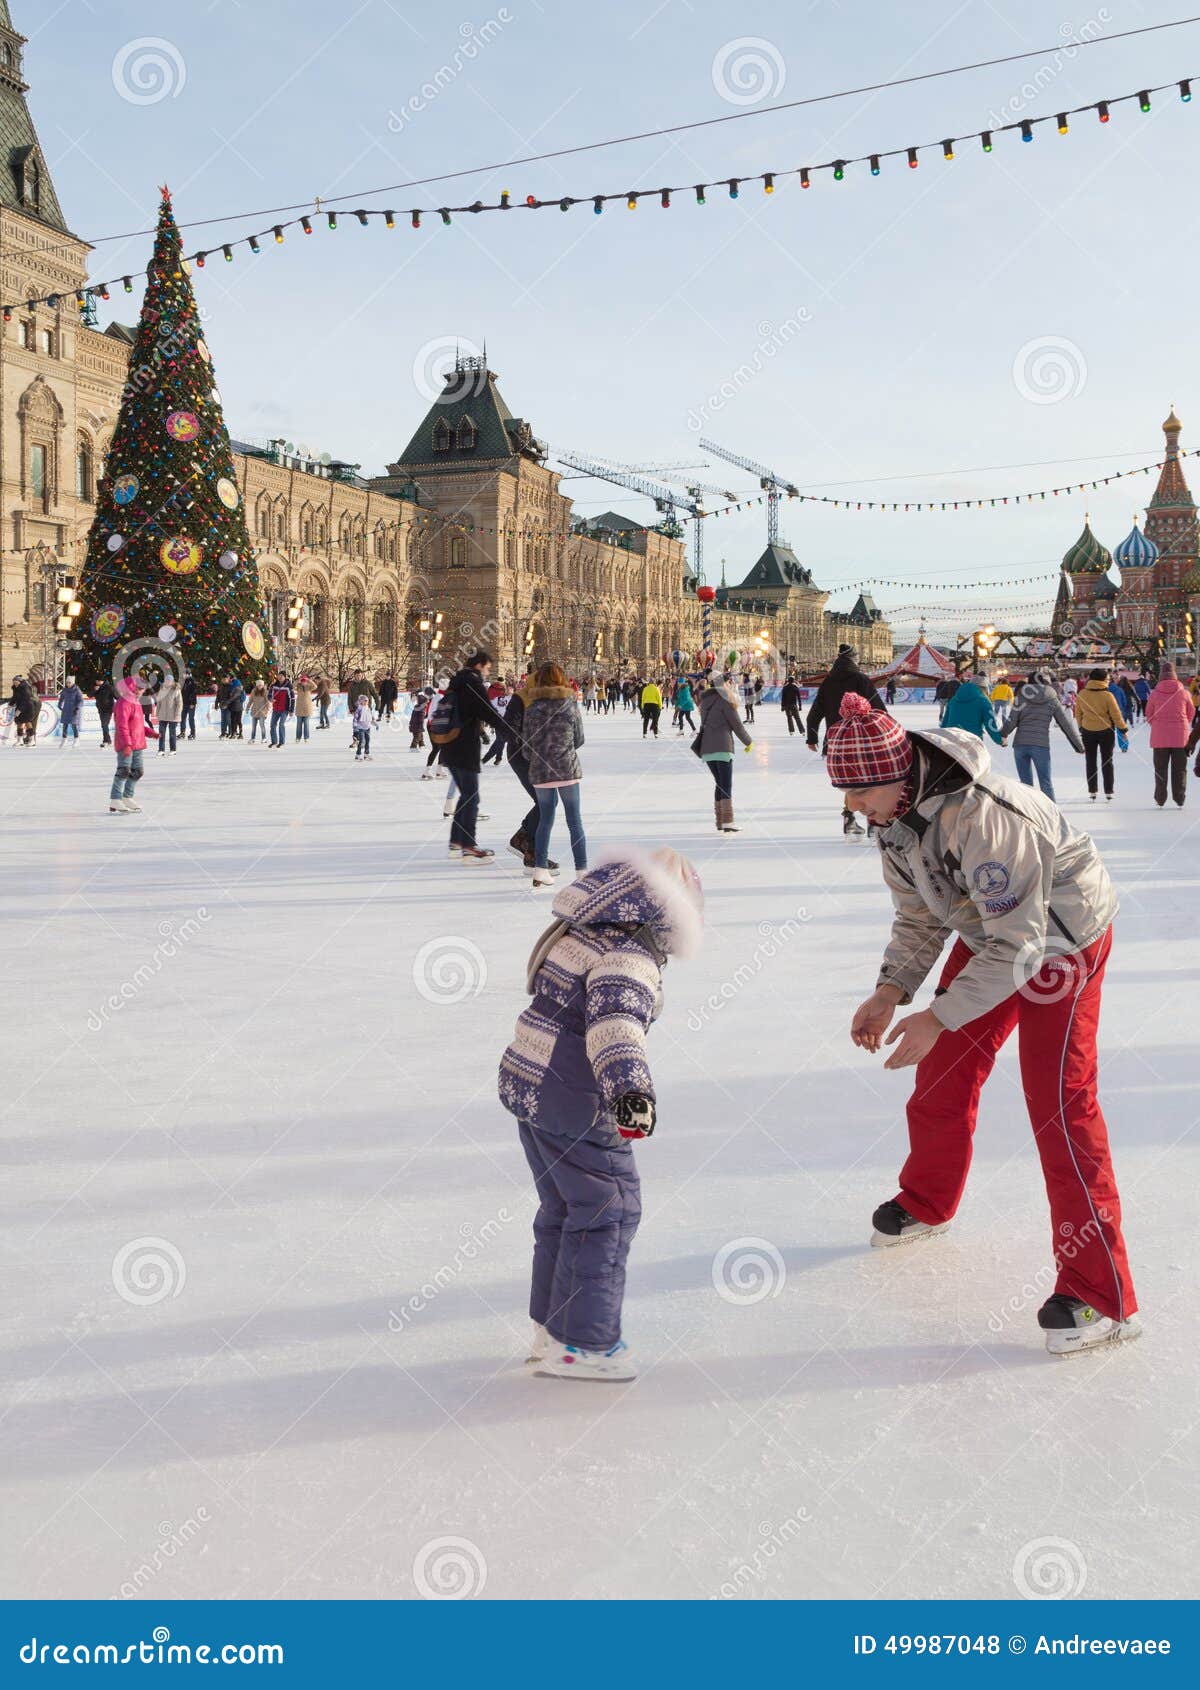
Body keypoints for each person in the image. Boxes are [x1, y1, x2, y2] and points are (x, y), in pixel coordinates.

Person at [828, 692, 1139, 1355]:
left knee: (1060, 1104)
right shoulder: (896, 819)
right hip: (995, 932)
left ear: (899, 772)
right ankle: (930, 1199)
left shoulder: (986, 819)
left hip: (1059, 942)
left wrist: (937, 1014)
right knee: (942, 1069)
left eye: (861, 792)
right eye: (846, 794)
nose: (854, 807)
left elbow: (1024, 948)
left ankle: (1101, 1294)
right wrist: (891, 992)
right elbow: (922, 914)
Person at [500, 847, 704, 1380]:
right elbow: (615, 1027)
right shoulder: (628, 958)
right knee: (609, 1210)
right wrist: (630, 1093)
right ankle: (584, 1345)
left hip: (531, 1085)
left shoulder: (579, 934)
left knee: (567, 1209)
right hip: (575, 1100)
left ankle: (551, 1330)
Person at [435, 651, 510, 861]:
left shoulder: (457, 682)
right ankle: (469, 845)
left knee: (466, 795)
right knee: (472, 797)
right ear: (479, 665)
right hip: (464, 746)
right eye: (487, 667)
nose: (488, 672)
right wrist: (509, 730)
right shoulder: (472, 683)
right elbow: (486, 711)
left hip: (450, 744)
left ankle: (457, 841)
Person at [806, 644, 886, 836]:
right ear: (853, 659)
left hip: (837, 739)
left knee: (851, 781)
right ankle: (873, 821)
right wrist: (885, 729)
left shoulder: (828, 681)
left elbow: (815, 712)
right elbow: (879, 708)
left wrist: (812, 737)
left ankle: (849, 817)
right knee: (870, 778)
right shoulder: (860, 679)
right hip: (863, 737)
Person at [522, 662, 587, 889]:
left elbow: (526, 746)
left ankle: (540, 869)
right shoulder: (569, 705)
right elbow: (579, 739)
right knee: (574, 820)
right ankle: (581, 871)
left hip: (540, 771)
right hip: (566, 768)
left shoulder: (531, 709)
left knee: (545, 820)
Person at [1000, 671, 1083, 801]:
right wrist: (1079, 746)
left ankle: (1029, 814)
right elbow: (1065, 724)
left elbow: (1011, 721)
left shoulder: (1020, 698)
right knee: (1046, 783)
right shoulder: (1052, 699)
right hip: (1041, 745)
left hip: (1020, 745)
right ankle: (1052, 815)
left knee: (1026, 785)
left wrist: (1001, 735)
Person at [696, 675, 753, 832]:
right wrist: (749, 742)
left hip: (707, 748)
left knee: (719, 784)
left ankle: (720, 822)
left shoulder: (705, 701)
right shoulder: (725, 701)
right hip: (722, 747)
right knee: (725, 784)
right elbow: (737, 725)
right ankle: (728, 822)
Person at [1145, 660, 1196, 809]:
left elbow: (1148, 714)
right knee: (1180, 769)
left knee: (1160, 769)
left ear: (1161, 676)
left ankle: (1160, 799)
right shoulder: (1184, 693)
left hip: (1159, 738)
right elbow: (1191, 712)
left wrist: (1158, 725)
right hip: (1181, 738)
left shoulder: (1154, 694)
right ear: (1175, 675)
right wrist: (1183, 723)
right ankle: (1179, 798)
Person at [1074, 668, 1126, 801]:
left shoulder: (1082, 694)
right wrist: (1123, 729)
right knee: (1107, 761)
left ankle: (1092, 791)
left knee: (1090, 761)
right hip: (1106, 731)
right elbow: (1116, 715)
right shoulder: (1108, 695)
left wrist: (1081, 726)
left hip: (1088, 731)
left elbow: (1078, 713)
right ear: (1103, 680)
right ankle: (1108, 791)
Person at [109, 676, 148, 813]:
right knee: (124, 770)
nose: (142, 691)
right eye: (140, 688)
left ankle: (127, 797)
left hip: (137, 743)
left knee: (138, 771)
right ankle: (115, 799)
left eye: (143, 689)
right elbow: (122, 725)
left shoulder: (136, 702)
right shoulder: (124, 702)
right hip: (126, 743)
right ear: (133, 688)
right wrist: (127, 744)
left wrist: (151, 733)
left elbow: (137, 725)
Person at [941, 675, 1004, 743]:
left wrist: (942, 739)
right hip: (972, 740)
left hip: (951, 739)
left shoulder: (953, 700)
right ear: (984, 688)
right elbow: (990, 725)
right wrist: (999, 740)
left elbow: (945, 722)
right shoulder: (983, 701)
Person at [155, 675, 182, 755]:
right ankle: (161, 750)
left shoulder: (176, 690)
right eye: (166, 680)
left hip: (173, 715)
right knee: (161, 733)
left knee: (172, 734)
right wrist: (157, 712)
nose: (167, 682)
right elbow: (159, 702)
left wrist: (177, 714)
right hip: (163, 715)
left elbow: (179, 703)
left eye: (169, 680)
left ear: (172, 681)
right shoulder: (162, 690)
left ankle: (173, 750)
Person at [58, 675, 84, 744]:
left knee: (74, 725)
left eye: (69, 683)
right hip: (66, 709)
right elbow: (62, 697)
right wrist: (60, 704)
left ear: (73, 683)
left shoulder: (77, 690)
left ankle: (76, 739)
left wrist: (77, 707)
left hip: (74, 710)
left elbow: (81, 700)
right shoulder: (65, 690)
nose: (68, 684)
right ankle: (64, 738)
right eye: (67, 682)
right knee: (65, 725)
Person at [269, 673, 292, 747]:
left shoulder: (288, 686)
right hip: (275, 708)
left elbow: (292, 699)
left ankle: (281, 742)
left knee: (281, 724)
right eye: (278, 676)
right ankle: (274, 741)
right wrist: (271, 699)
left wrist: (291, 710)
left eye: (281, 676)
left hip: (284, 709)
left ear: (285, 677)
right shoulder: (274, 685)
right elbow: (269, 694)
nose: (280, 677)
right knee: (272, 725)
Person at [93, 677, 115, 747]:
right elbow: (89, 694)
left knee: (104, 725)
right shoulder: (98, 688)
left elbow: (117, 696)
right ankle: (108, 740)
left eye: (98, 680)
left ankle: (106, 741)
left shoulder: (109, 687)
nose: (96, 682)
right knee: (104, 725)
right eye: (96, 680)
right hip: (101, 709)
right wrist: (95, 690)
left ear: (102, 681)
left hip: (108, 710)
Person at [352, 694, 373, 760]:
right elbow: (355, 718)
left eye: (367, 701)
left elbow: (371, 717)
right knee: (361, 741)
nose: (367, 702)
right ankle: (358, 754)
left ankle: (366, 753)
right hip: (360, 728)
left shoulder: (368, 708)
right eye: (365, 701)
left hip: (367, 727)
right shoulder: (359, 709)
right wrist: (355, 727)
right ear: (361, 701)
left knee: (367, 741)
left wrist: (375, 723)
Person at [294, 675, 314, 741]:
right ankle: (298, 737)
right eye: (302, 681)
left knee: (306, 724)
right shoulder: (298, 687)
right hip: (299, 708)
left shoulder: (309, 687)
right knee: (299, 725)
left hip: (307, 708)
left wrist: (309, 680)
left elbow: (315, 686)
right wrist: (298, 680)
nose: (303, 682)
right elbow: (292, 686)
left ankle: (306, 737)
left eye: (304, 681)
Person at [227, 675, 245, 739]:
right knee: (237, 720)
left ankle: (235, 733)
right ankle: (238, 733)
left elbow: (233, 697)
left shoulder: (234, 686)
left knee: (234, 720)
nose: (229, 680)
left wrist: (227, 702)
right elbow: (243, 697)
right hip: (237, 706)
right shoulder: (239, 686)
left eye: (230, 679)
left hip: (235, 705)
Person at [180, 672, 198, 740]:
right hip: (184, 703)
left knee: (191, 719)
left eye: (184, 674)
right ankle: (182, 733)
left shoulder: (192, 682)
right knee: (182, 718)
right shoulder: (183, 682)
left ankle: (193, 733)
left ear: (188, 674)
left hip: (191, 704)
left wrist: (192, 703)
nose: (183, 675)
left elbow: (194, 693)